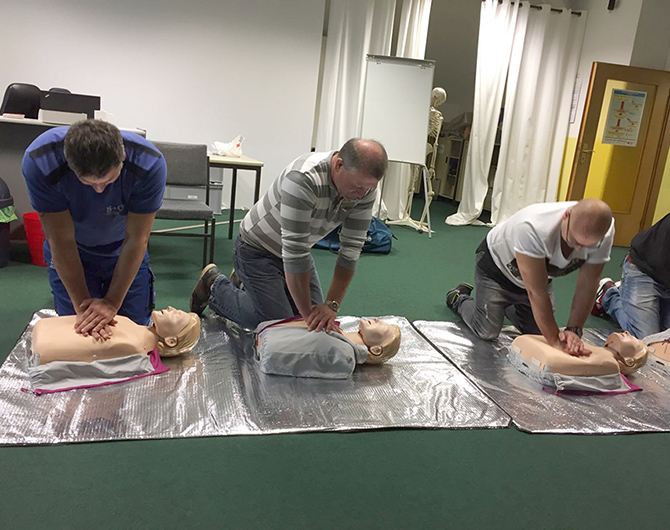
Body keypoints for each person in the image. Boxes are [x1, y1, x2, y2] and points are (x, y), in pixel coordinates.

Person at [190, 138, 388, 332]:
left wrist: (331, 305)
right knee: (280, 327)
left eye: (368, 188)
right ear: (339, 165)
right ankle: (214, 286)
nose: (361, 194)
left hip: (298, 250)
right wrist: (308, 318)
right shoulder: (303, 178)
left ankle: (245, 284)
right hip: (256, 249)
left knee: (310, 321)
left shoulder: (364, 187)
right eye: (357, 187)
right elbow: (295, 254)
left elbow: (351, 248)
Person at [22, 119, 167, 341]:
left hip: (123, 247)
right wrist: (83, 309)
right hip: (72, 249)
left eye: (109, 181)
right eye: (88, 183)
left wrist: (111, 302)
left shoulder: (148, 163)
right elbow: (61, 241)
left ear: (122, 157)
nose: (99, 190)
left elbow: (136, 239)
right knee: (80, 332)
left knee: (134, 330)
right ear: (70, 165)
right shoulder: (41, 161)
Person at [446, 199, 614, 355]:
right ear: (566, 215)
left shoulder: (603, 230)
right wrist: (555, 341)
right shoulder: (533, 226)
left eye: (588, 246)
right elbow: (537, 292)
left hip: (538, 276)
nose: (578, 249)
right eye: (574, 241)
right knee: (487, 331)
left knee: (538, 334)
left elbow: (588, 284)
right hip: (496, 270)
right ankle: (459, 298)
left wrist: (574, 329)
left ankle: (504, 306)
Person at [592, 212, 670, 339]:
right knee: (647, 340)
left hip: (666, 279)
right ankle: (609, 296)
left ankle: (626, 294)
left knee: (662, 336)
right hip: (643, 272)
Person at [31, 306, 201, 363]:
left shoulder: (134, 345)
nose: (171, 308)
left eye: (177, 315)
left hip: (46, 344)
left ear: (170, 341)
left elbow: (83, 349)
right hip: (47, 333)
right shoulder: (133, 327)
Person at [255, 317, 401, 379]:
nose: (377, 320)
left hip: (264, 339)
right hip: (266, 330)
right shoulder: (339, 335)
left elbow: (275, 352)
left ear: (376, 350)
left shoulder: (344, 356)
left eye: (384, 328)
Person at [509, 331, 647, 392]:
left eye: (635, 341)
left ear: (629, 361)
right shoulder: (598, 351)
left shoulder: (609, 364)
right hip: (540, 358)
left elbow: (555, 363)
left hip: (544, 362)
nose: (628, 333)